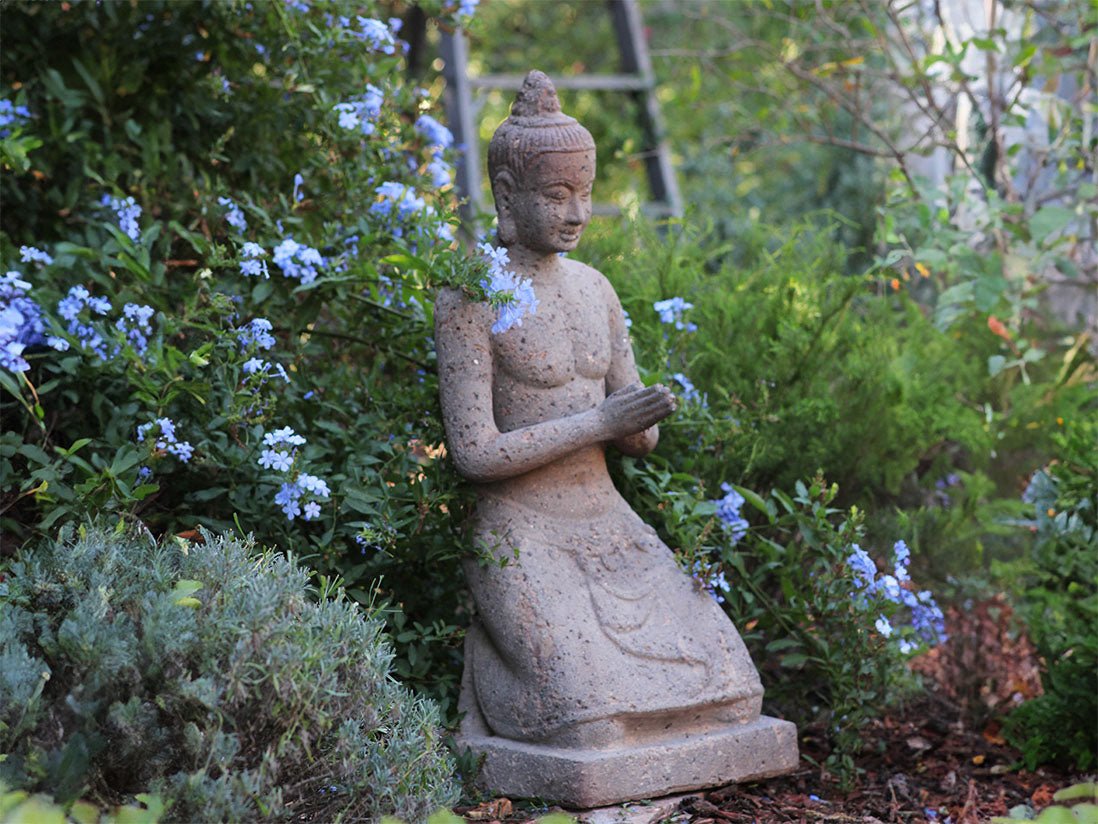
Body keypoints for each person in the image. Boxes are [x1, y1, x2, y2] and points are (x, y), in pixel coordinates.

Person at [435, 71, 762, 749]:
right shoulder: (471, 297)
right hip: (519, 526)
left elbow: (638, 439)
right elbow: (473, 454)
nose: (578, 213)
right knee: (591, 725)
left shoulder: (596, 289)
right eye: (557, 196)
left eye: (585, 194)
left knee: (735, 695)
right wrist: (599, 424)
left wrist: (642, 419)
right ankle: (490, 677)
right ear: (507, 195)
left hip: (606, 520)